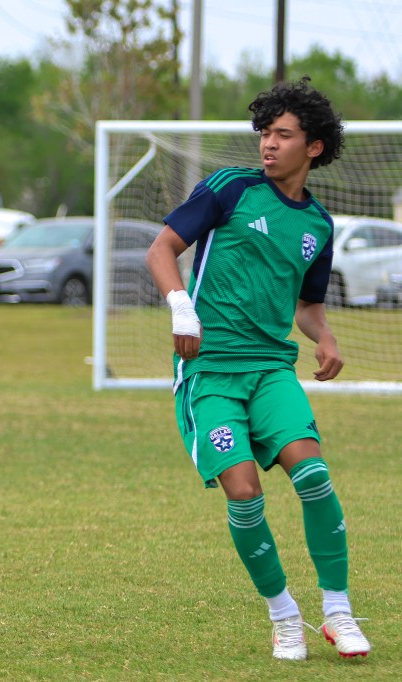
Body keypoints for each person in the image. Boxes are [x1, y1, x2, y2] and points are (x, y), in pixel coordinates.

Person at [145, 77, 370, 661]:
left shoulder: (318, 227)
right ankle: (284, 616)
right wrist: (181, 308)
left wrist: (325, 337)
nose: (268, 144)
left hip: (272, 370)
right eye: (265, 133)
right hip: (210, 371)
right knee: (243, 492)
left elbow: (308, 304)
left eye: (283, 134)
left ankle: (338, 612)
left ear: (313, 146)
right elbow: (161, 249)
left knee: (314, 476)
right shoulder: (230, 188)